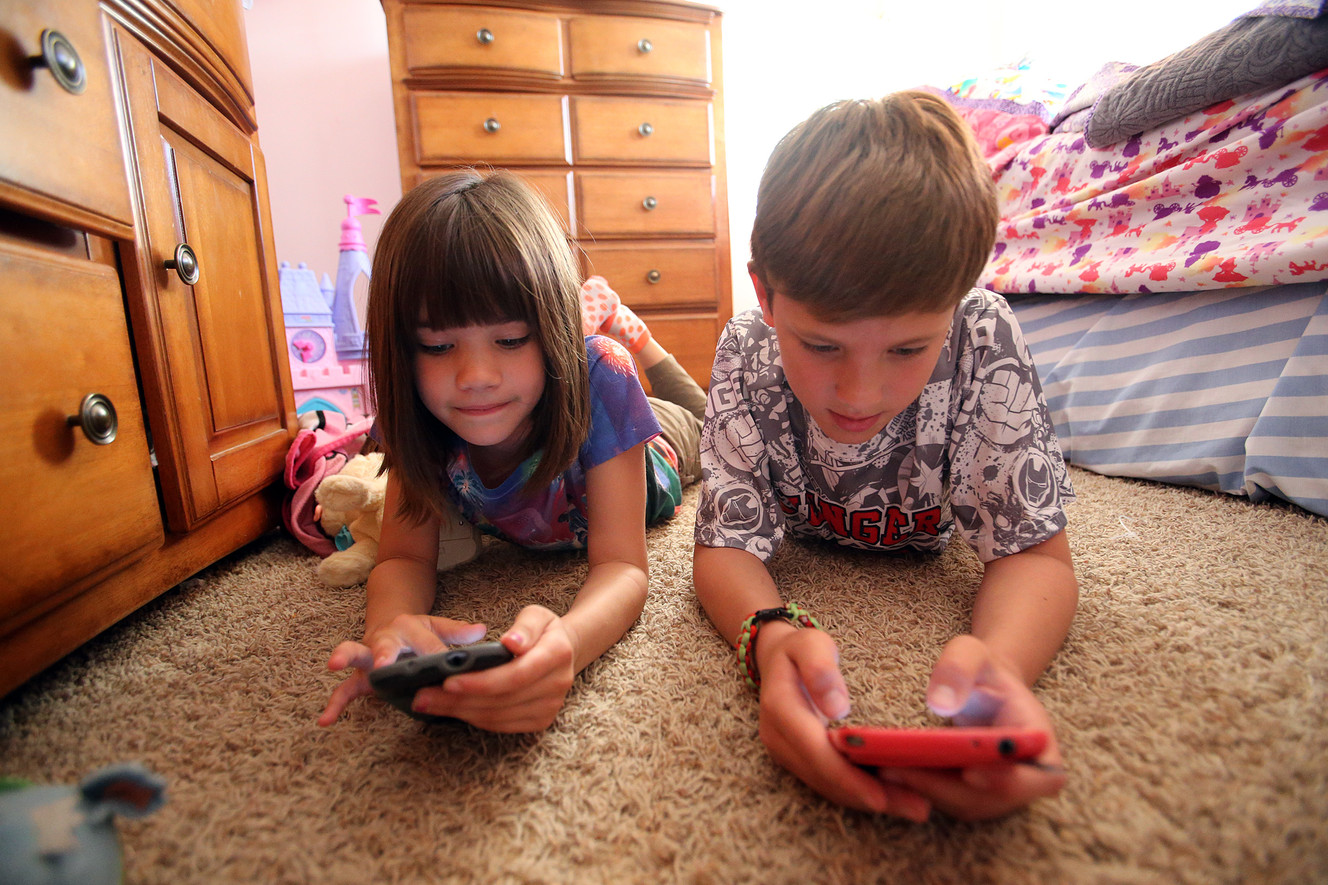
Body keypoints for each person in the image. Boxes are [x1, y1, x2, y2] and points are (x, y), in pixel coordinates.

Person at [691, 91, 1079, 822]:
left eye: (907, 349)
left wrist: (1002, 663)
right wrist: (769, 638)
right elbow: (721, 548)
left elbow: (1035, 556)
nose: (859, 392)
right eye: (822, 344)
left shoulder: (982, 338)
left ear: (957, 306)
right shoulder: (745, 351)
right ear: (766, 296)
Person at [318, 169, 706, 733]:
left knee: (699, 413)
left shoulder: (602, 372)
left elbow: (623, 566)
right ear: (405, 350)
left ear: (551, 333)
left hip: (656, 452)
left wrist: (567, 643)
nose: (475, 376)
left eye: (510, 339)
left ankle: (640, 338)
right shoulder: (418, 410)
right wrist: (390, 627)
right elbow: (404, 557)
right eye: (437, 345)